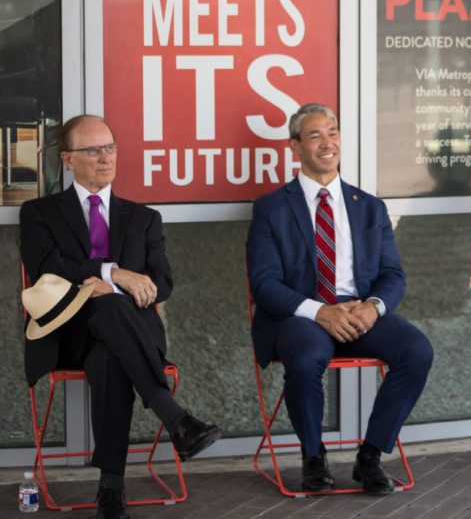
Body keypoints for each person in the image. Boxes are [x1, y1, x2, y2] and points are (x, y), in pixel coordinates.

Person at [20, 115, 222, 519]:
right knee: (108, 303)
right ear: (68, 159)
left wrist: (110, 283)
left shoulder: (143, 218)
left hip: (128, 339)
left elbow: (161, 283)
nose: (104, 157)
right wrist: (115, 275)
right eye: (92, 150)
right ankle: (174, 416)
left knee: (110, 353)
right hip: (67, 334)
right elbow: (47, 265)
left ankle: (111, 489)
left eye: (110, 147)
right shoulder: (39, 212)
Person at [247, 103, 433, 496]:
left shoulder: (369, 206)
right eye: (314, 135)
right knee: (305, 357)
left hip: (358, 310)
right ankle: (314, 456)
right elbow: (264, 283)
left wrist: (373, 307)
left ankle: (370, 457)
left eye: (332, 132)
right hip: (300, 314)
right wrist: (320, 312)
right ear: (294, 147)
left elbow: (393, 275)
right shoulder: (271, 209)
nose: (327, 143)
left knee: (416, 350)